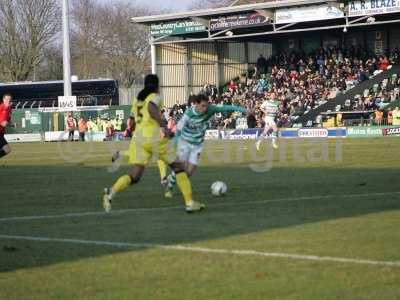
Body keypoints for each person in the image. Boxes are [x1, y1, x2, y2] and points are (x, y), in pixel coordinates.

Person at [103, 74, 204, 213]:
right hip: (153, 138)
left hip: (138, 140)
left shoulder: (137, 100)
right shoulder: (154, 97)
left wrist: (131, 130)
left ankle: (111, 193)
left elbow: (131, 121)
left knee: (135, 176)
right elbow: (151, 108)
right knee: (179, 167)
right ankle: (189, 202)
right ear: (156, 86)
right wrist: (164, 126)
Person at [163, 93, 247, 198]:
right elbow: (179, 131)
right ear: (196, 104)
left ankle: (172, 177)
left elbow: (227, 107)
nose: (205, 108)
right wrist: (173, 144)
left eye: (206, 105)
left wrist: (245, 110)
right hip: (184, 143)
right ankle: (168, 189)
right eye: (203, 105)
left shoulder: (210, 109)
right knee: (181, 167)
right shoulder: (188, 114)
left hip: (197, 145)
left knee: (188, 173)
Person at [0, 93, 13, 159]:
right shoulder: (2, 108)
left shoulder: (9, 109)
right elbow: (3, 123)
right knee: (7, 149)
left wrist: (12, 124)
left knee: (7, 149)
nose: (8, 101)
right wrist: (9, 124)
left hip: (1, 132)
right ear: (3, 100)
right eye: (7, 99)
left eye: (10, 99)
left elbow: (7, 120)